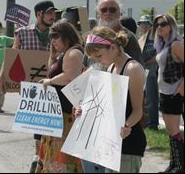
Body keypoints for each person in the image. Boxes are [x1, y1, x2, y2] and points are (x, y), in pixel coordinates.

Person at [75, 26, 147, 173]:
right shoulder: (111, 67)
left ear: (113, 47)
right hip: (111, 143)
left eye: (99, 56)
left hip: (128, 146)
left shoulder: (132, 69)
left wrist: (126, 125)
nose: (98, 61)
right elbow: (106, 104)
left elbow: (138, 111)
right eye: (94, 58)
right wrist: (85, 109)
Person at [0, 0, 57, 173]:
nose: (53, 16)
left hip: (54, 83)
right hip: (33, 87)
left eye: (54, 13)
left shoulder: (58, 33)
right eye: (49, 13)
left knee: (52, 123)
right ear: (39, 14)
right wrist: (3, 75)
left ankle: (46, 158)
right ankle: (38, 157)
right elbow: (13, 55)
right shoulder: (22, 33)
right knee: (37, 124)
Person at [37, 21, 83, 173]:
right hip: (58, 115)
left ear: (66, 35)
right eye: (51, 37)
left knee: (63, 163)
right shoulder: (65, 53)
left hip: (67, 117)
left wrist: (50, 81)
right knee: (53, 160)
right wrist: (53, 56)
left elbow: (70, 77)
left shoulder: (74, 52)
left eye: (55, 36)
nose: (53, 40)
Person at [154, 14, 184, 173]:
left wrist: (182, 85)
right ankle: (174, 164)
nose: (159, 27)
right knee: (171, 131)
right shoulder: (163, 45)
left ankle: (180, 166)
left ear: (171, 26)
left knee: (174, 130)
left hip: (174, 92)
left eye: (163, 24)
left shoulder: (176, 44)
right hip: (164, 92)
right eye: (157, 24)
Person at [97, 0, 143, 65]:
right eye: (104, 10)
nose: (108, 13)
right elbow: (85, 65)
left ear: (119, 14)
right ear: (99, 14)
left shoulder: (128, 37)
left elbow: (139, 66)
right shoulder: (94, 36)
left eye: (112, 10)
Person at [137, 15, 159, 131]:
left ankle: (153, 123)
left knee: (151, 96)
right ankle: (145, 121)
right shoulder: (140, 39)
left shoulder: (155, 38)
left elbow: (158, 54)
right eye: (141, 24)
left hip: (152, 70)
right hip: (142, 70)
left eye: (146, 23)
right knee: (142, 97)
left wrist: (146, 62)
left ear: (151, 25)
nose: (144, 26)